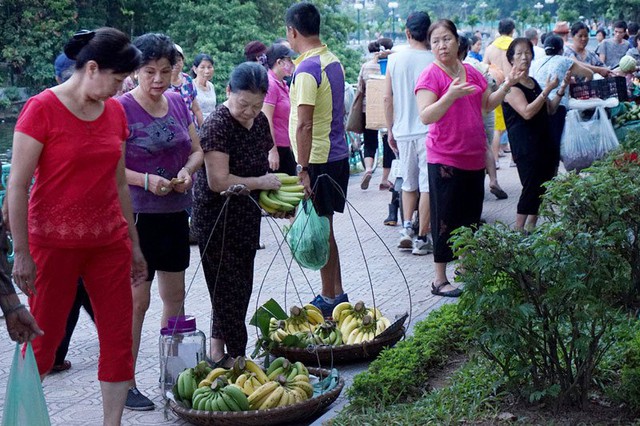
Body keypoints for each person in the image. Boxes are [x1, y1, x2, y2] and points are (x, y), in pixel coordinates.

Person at [8, 28, 146, 426]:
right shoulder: (40, 109)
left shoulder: (115, 112)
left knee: (118, 342)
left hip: (109, 243)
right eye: (118, 80)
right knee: (42, 344)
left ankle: (112, 423)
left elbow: (119, 182)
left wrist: (134, 246)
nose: (121, 89)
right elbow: (17, 186)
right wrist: (22, 253)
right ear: (91, 68)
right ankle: (23, 417)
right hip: (51, 244)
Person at [119, 33, 204, 410]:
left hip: (174, 214)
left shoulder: (178, 102)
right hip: (136, 217)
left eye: (165, 71)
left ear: (174, 71)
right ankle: (124, 382)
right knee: (136, 302)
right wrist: (147, 180)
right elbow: (112, 167)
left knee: (175, 299)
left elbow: (197, 151)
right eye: (149, 71)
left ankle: (174, 377)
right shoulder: (120, 109)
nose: (157, 79)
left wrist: (186, 171)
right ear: (135, 71)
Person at [415, 19, 521, 297]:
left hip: (474, 157)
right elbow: (426, 115)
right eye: (436, 41)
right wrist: (449, 95)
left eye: (446, 39)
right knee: (444, 219)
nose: (441, 45)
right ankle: (439, 279)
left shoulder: (472, 72)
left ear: (457, 41)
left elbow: (486, 105)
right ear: (430, 45)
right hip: (445, 159)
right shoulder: (430, 75)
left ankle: (466, 268)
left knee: (470, 217)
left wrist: (507, 85)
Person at [192, 62, 280, 367]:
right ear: (228, 91)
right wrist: (260, 183)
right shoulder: (217, 124)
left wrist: (274, 202)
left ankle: (217, 353)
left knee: (240, 285)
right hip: (216, 217)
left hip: (246, 216)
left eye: (257, 105)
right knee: (226, 288)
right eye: (243, 104)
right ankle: (240, 357)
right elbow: (219, 181)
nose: (250, 112)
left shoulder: (258, 123)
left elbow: (262, 172)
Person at [286, 2, 350, 316]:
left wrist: (303, 168)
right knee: (327, 228)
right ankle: (336, 292)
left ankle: (328, 296)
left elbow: (305, 123)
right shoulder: (332, 60)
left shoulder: (307, 68)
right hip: (336, 155)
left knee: (321, 230)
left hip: (319, 160)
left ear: (292, 31)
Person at [502, 38, 567, 232]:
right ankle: (518, 230)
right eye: (519, 53)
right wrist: (547, 90)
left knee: (542, 187)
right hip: (526, 146)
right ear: (511, 59)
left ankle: (531, 226)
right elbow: (527, 112)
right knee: (530, 187)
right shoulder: (510, 87)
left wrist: (560, 91)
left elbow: (550, 110)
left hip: (544, 143)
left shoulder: (534, 83)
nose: (524, 57)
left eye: (528, 53)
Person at [383, 11, 434, 256]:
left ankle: (405, 229)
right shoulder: (434, 59)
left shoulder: (394, 60)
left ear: (407, 32)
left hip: (402, 131)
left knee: (408, 183)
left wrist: (390, 129)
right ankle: (422, 238)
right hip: (428, 130)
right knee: (426, 185)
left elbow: (387, 97)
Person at [459, 35, 508, 201]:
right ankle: (493, 180)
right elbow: (493, 82)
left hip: (468, 114)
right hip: (484, 111)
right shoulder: (474, 65)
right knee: (484, 146)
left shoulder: (454, 68)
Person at [531, 35, 592, 152]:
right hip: (558, 104)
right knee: (556, 142)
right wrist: (582, 91)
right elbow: (589, 74)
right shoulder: (565, 61)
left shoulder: (536, 63)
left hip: (539, 103)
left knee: (544, 142)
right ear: (561, 50)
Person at [357, 38, 394, 190]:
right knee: (388, 144)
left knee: (370, 141)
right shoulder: (391, 66)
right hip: (387, 109)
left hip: (369, 109)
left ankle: (368, 169)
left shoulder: (366, 67)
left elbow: (360, 87)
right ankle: (384, 180)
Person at [262, 44, 297, 176]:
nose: (292, 63)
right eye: (289, 60)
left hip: (286, 145)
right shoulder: (270, 84)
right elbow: (267, 118)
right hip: (277, 148)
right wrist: (272, 150)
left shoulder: (282, 84)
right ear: (279, 62)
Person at [484, 19, 515, 165]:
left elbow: (484, 68)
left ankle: (494, 160)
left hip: (496, 88)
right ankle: (515, 159)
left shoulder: (490, 48)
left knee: (497, 127)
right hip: (514, 86)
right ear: (512, 30)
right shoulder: (515, 44)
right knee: (515, 124)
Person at [170, 43, 204, 127]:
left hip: (191, 129)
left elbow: (196, 109)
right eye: (172, 60)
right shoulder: (161, 83)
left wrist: (203, 130)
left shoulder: (187, 80)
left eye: (179, 60)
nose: (176, 63)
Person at [192, 53, 217, 121]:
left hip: (212, 125)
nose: (207, 71)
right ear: (195, 69)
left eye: (209, 67)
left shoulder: (211, 86)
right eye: (202, 67)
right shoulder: (190, 86)